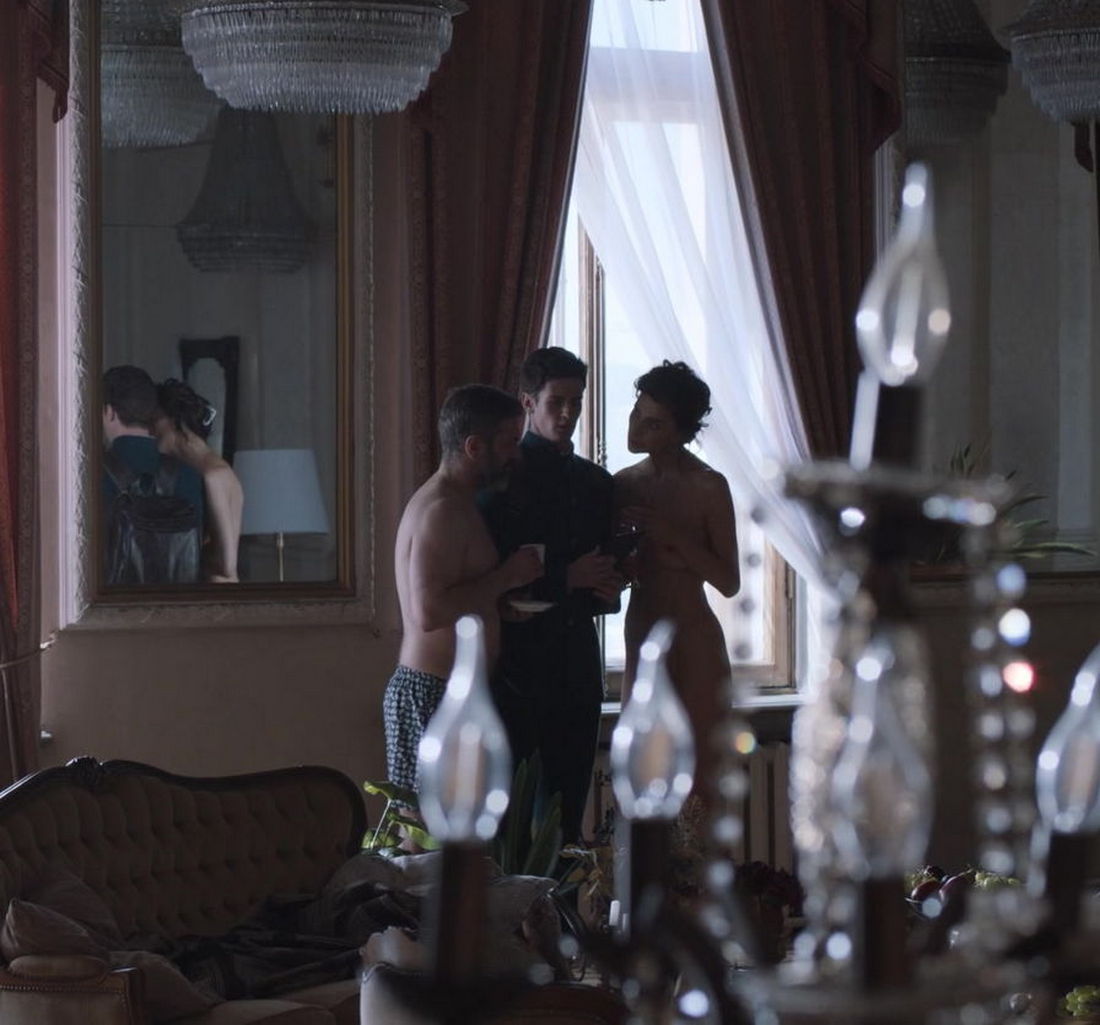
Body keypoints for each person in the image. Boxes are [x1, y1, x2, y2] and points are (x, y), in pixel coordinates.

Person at [480, 348, 622, 842]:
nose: (568, 413)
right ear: (528, 402)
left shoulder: (597, 484)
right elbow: (487, 579)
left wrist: (608, 583)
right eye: (556, 402)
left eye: (576, 402)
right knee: (507, 823)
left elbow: (603, 580)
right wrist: (568, 577)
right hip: (514, 670)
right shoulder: (498, 483)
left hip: (578, 667)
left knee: (566, 822)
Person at [385, 384, 545, 795]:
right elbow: (429, 612)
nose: (516, 454)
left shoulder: (459, 504)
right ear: (474, 446)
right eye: (509, 442)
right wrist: (507, 576)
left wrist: (498, 605)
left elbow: (457, 594)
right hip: (431, 693)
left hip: (452, 693)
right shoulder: (441, 510)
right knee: (427, 830)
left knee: (460, 827)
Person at [614, 361, 739, 804]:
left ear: (680, 432)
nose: (637, 429)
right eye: (636, 414)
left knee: (700, 778)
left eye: (653, 424)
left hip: (693, 640)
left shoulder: (708, 486)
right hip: (641, 631)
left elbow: (729, 581)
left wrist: (673, 537)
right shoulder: (623, 485)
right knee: (642, 772)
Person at [102, 365, 204, 583]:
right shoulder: (189, 473)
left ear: (109, 412)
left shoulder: (91, 476)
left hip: (113, 601)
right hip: (178, 601)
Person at [154, 379, 244, 583]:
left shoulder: (214, 476)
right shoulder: (207, 471)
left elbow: (226, 565)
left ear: (173, 420)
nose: (151, 431)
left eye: (154, 420)